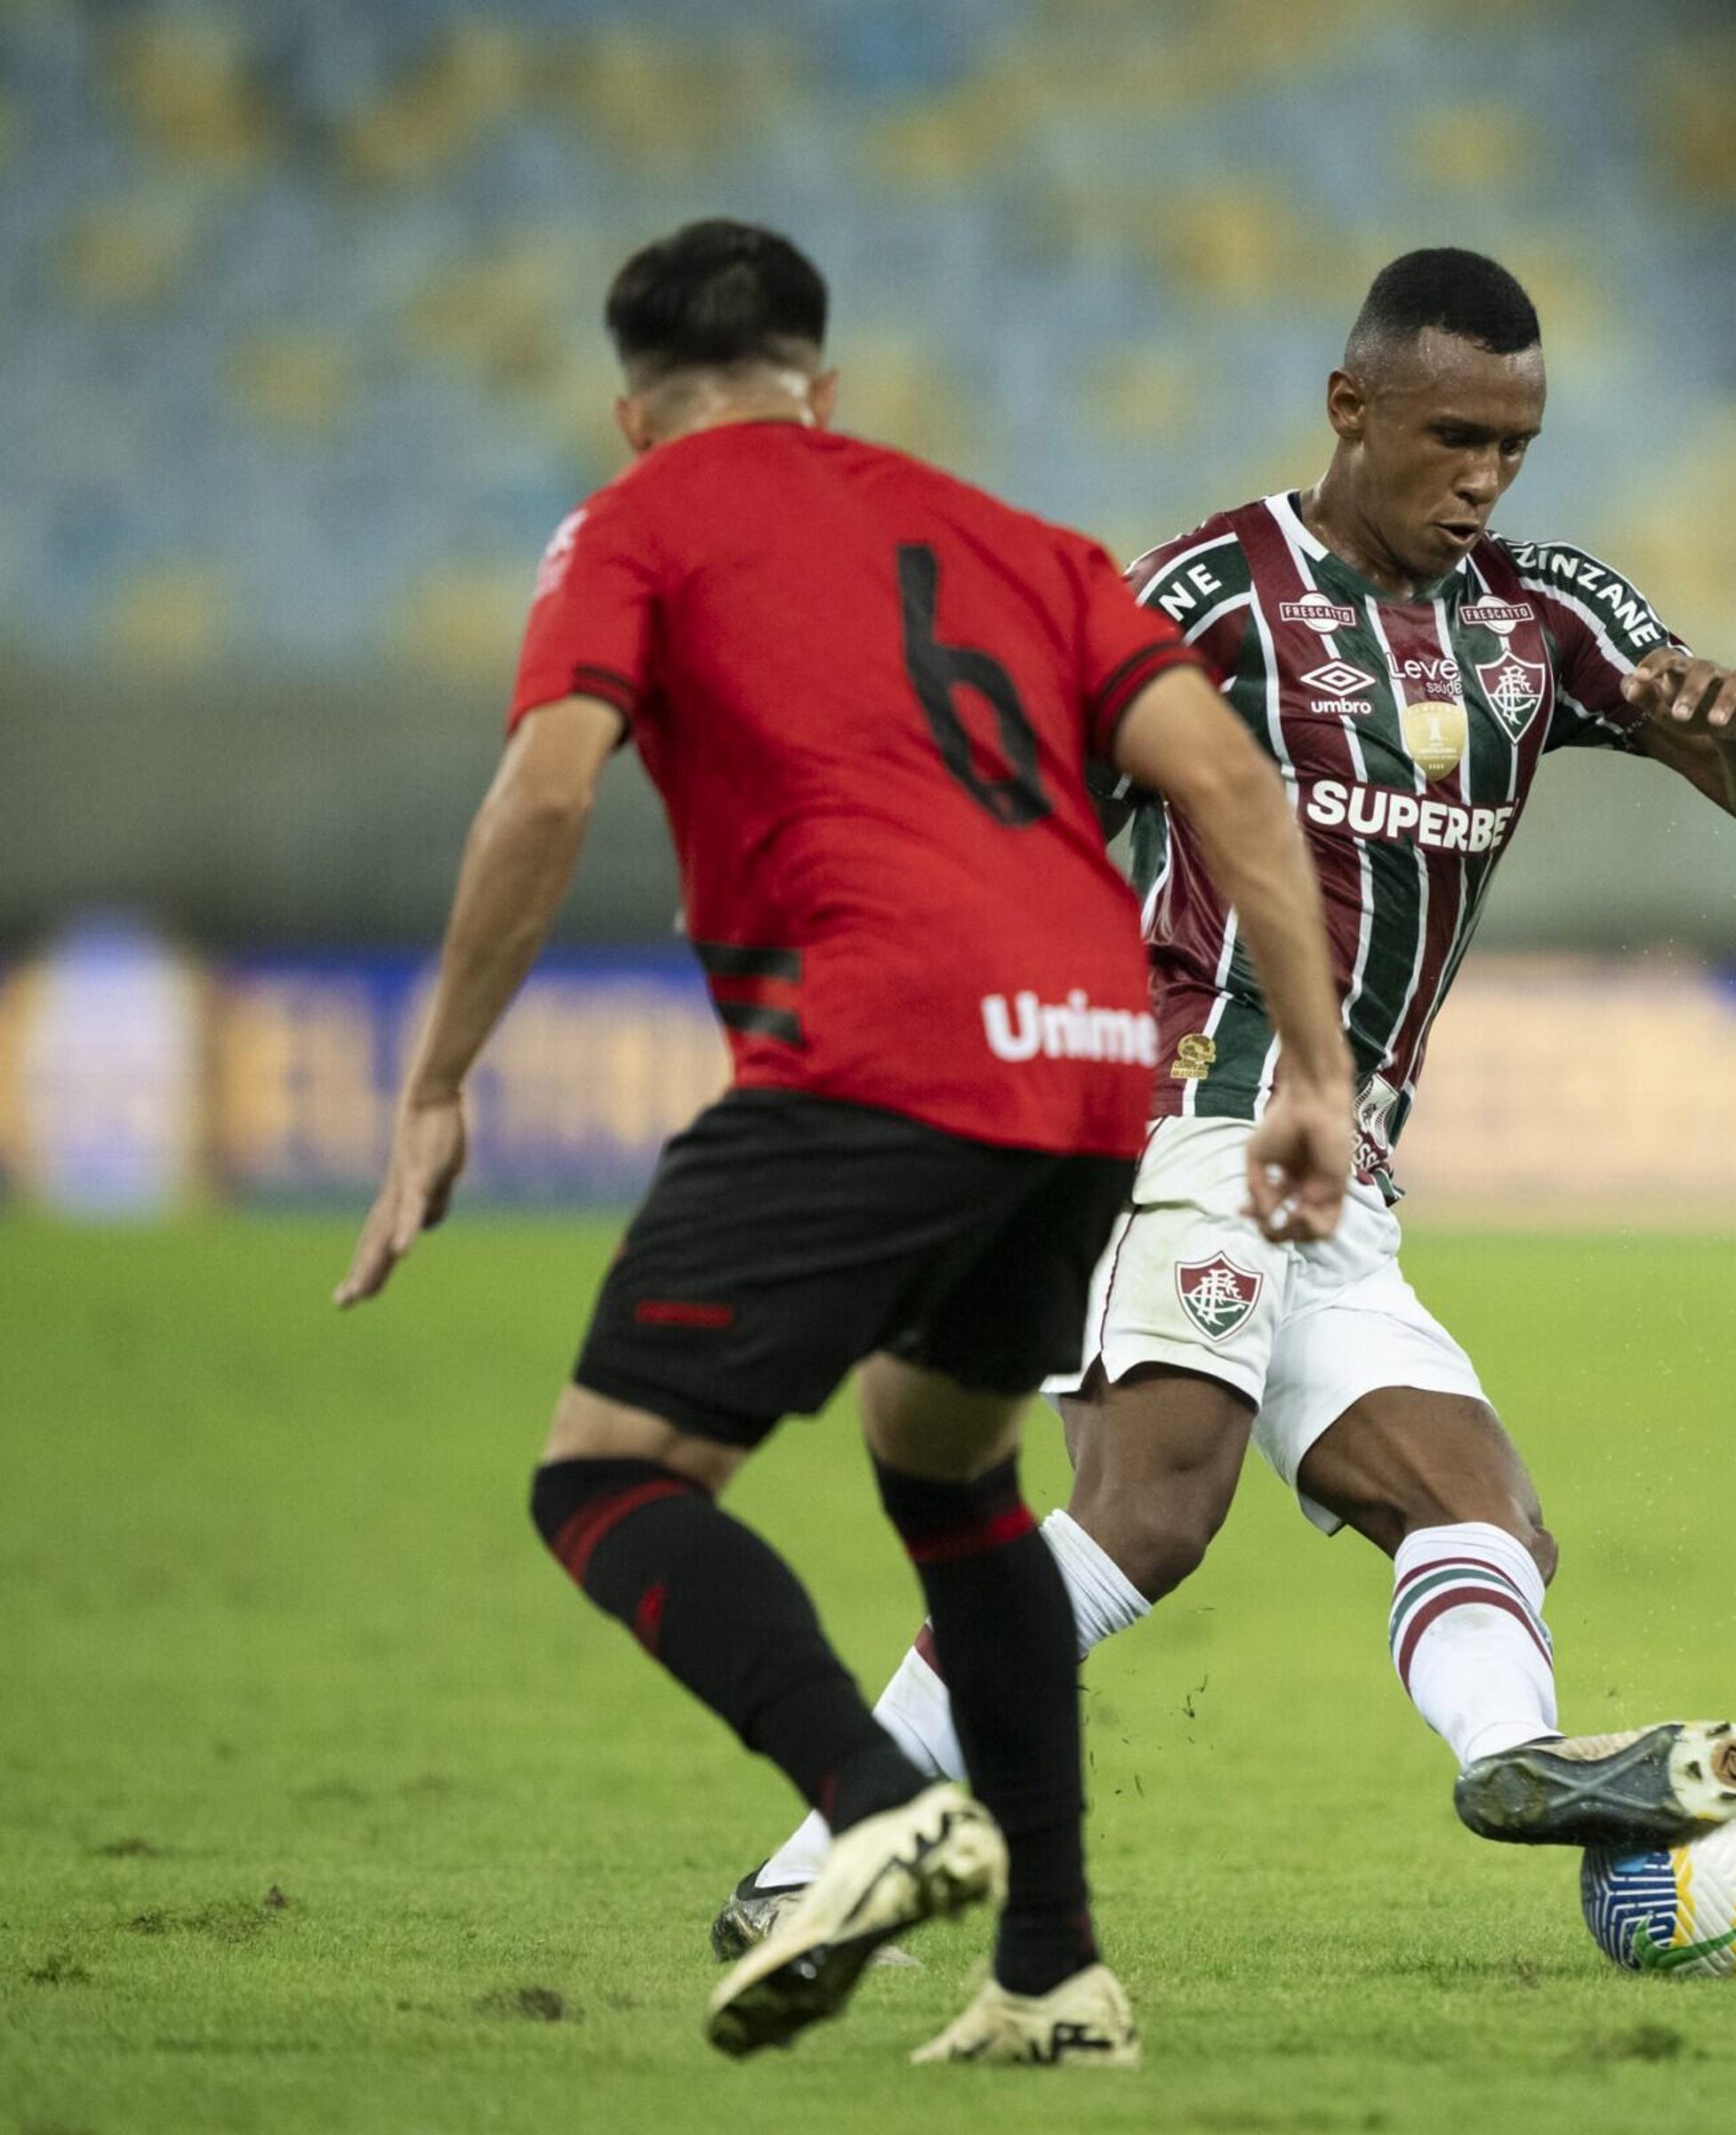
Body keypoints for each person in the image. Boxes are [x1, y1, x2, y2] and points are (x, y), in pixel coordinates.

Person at [335, 219, 1355, 2067]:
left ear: (633, 415)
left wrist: (435, 1082)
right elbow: (1228, 781)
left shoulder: (633, 524)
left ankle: (874, 1805)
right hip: (1090, 1061)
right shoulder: (1020, 540)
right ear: (831, 388)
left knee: (606, 1477)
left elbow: (551, 780)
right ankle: (1054, 1969)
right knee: (948, 1468)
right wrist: (1317, 1072)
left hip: (879, 1043)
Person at [718, 247, 1736, 1944]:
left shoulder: (1544, 617)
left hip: (1346, 1168)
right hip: (1187, 1118)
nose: (1485, 478)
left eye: (1516, 446)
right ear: (1350, 406)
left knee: (1481, 1510)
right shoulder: (1216, 593)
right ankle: (824, 1855)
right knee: (1151, 1511)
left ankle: (1516, 1761)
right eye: (1454, 435)